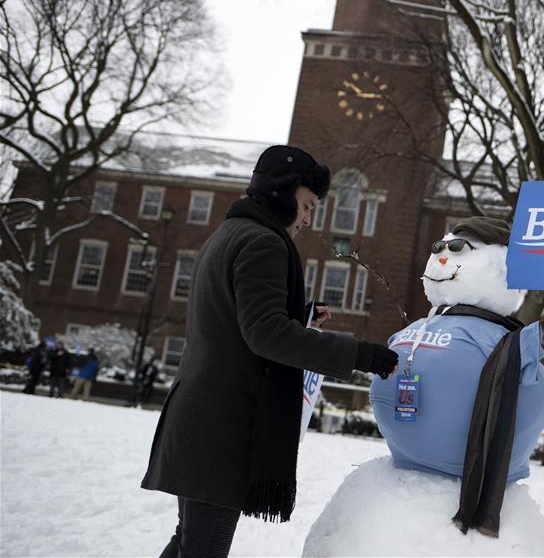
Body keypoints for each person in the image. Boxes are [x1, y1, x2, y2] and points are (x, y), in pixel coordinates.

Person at [141, 145, 399, 557]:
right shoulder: (264, 243)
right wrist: (360, 355)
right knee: (201, 548)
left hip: (197, 421)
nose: (308, 218)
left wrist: (298, 317)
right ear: (282, 192)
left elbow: (236, 321)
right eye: (307, 205)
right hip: (222, 433)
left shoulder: (227, 234)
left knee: (189, 542)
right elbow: (267, 335)